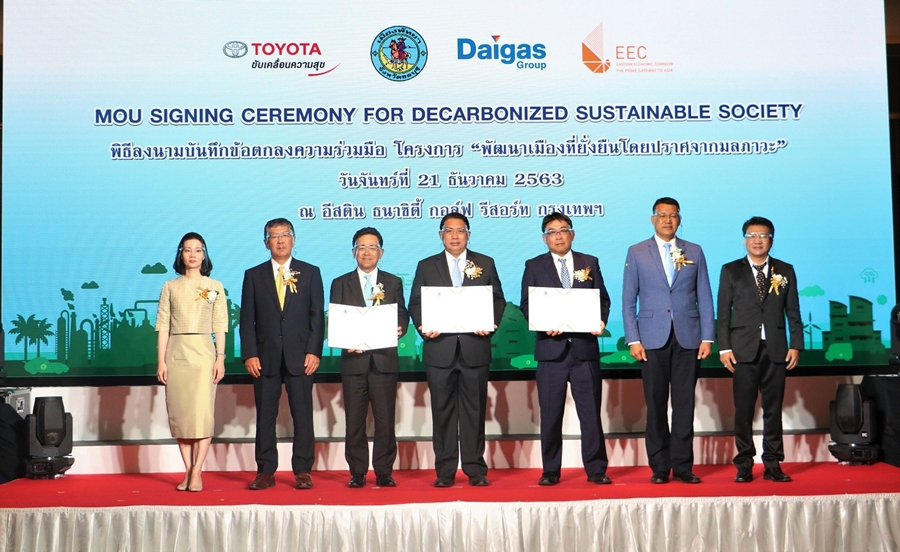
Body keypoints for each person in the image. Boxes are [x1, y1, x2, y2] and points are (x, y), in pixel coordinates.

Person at [408, 213, 506, 487]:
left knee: (474, 411)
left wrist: (491, 323)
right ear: (441, 235)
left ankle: (475, 469)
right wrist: (423, 326)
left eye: (460, 230)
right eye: (448, 230)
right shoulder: (426, 265)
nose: (454, 236)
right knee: (442, 412)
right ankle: (445, 471)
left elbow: (497, 299)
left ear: (468, 235)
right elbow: (415, 303)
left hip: (475, 348)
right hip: (439, 349)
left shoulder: (485, 263)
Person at [622, 197, 714, 484]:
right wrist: (633, 339)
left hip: (688, 337)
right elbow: (628, 299)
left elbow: (705, 295)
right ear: (653, 219)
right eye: (662, 215)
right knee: (656, 405)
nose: (667, 220)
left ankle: (683, 466)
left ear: (679, 219)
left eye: (672, 215)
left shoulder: (694, 251)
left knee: (685, 405)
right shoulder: (637, 251)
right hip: (651, 338)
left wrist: (707, 336)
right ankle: (660, 466)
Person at [519, 213, 612, 486]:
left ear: (572, 233)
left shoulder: (589, 262)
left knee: (590, 414)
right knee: (550, 414)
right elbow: (527, 303)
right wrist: (542, 324)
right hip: (551, 351)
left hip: (584, 351)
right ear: (544, 238)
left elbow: (602, 299)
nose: (558, 235)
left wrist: (600, 320)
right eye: (552, 231)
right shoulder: (534, 265)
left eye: (563, 230)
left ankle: (596, 469)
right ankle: (550, 470)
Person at [240, 218, 324, 490]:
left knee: (303, 415)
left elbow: (316, 316)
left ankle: (303, 470)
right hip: (265, 357)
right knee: (265, 417)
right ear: (266, 243)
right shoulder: (253, 275)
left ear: (293, 239)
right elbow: (247, 319)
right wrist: (250, 354)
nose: (280, 240)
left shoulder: (310, 272)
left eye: (284, 235)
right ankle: (265, 471)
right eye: (274, 236)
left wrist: (314, 351)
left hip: (301, 357)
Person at [717, 216, 802, 483]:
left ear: (771, 240)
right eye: (752, 235)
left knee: (773, 410)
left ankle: (773, 463)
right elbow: (723, 313)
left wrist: (796, 344)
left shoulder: (785, 270)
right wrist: (724, 348)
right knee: (743, 411)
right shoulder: (731, 270)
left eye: (763, 236)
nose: (757, 240)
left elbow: (793, 311)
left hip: (776, 349)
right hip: (742, 351)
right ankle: (744, 464)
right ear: (744, 240)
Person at [330, 227, 409, 488]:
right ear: (354, 252)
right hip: (353, 363)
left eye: (372, 247)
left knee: (385, 421)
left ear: (381, 252)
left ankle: (384, 471)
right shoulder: (340, 283)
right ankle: (357, 472)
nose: (367, 252)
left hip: (384, 361)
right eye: (361, 247)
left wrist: (400, 326)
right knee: (354, 421)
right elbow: (336, 318)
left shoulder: (393, 282)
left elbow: (402, 313)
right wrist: (344, 340)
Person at [155, 232, 227, 492]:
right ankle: (188, 470)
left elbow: (220, 324)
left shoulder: (213, 286)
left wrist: (220, 357)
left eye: (198, 250)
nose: (193, 255)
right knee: (182, 414)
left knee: (202, 414)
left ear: (204, 254)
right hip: (176, 353)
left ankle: (197, 472)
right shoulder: (170, 286)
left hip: (204, 354)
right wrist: (161, 361)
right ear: (181, 254)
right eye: (188, 250)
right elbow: (163, 325)